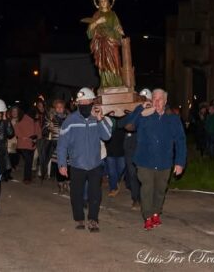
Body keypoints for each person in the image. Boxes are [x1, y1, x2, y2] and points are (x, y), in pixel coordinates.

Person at [57, 87, 112, 233]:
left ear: (92, 102)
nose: (84, 104)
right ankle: (79, 218)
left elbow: (107, 136)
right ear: (77, 103)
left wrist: (100, 119)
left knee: (95, 194)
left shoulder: (98, 118)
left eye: (87, 101)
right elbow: (62, 143)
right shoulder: (70, 120)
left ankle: (93, 220)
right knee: (76, 194)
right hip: (77, 164)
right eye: (81, 102)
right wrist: (62, 163)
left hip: (95, 163)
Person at [132, 89, 187, 231]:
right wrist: (139, 108)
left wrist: (180, 162)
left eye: (160, 99)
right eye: (154, 98)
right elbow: (126, 124)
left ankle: (156, 212)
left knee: (160, 190)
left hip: (164, 161)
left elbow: (180, 141)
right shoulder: (144, 116)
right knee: (147, 188)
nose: (156, 101)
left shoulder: (173, 119)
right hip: (145, 161)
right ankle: (148, 216)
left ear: (165, 101)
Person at [83, 0, 125, 88]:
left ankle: (117, 83)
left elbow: (117, 26)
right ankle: (106, 83)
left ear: (109, 2)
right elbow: (89, 31)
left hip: (112, 41)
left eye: (105, 0)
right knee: (104, 63)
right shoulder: (97, 15)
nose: (103, 3)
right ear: (99, 4)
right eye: (101, 1)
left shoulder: (113, 14)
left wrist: (120, 31)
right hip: (102, 42)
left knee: (115, 62)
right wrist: (97, 22)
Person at [120, 88, 151, 210]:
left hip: (145, 147)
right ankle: (136, 199)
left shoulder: (153, 112)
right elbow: (123, 124)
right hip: (131, 147)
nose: (143, 102)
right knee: (133, 174)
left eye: (145, 99)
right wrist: (138, 110)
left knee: (145, 175)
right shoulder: (131, 112)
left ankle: (146, 197)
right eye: (140, 99)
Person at [11, 105, 39, 184]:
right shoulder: (23, 118)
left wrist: (37, 137)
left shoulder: (34, 119)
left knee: (29, 161)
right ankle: (27, 178)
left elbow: (37, 131)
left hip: (31, 144)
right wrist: (22, 137)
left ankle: (28, 177)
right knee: (28, 160)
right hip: (24, 144)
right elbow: (16, 128)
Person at [46, 99, 70, 193]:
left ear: (64, 108)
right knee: (58, 164)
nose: (59, 109)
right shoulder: (51, 118)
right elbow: (44, 129)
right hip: (56, 145)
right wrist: (49, 127)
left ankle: (68, 183)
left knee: (69, 164)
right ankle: (60, 184)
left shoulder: (70, 118)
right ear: (55, 108)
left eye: (61, 107)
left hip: (68, 145)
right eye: (57, 107)